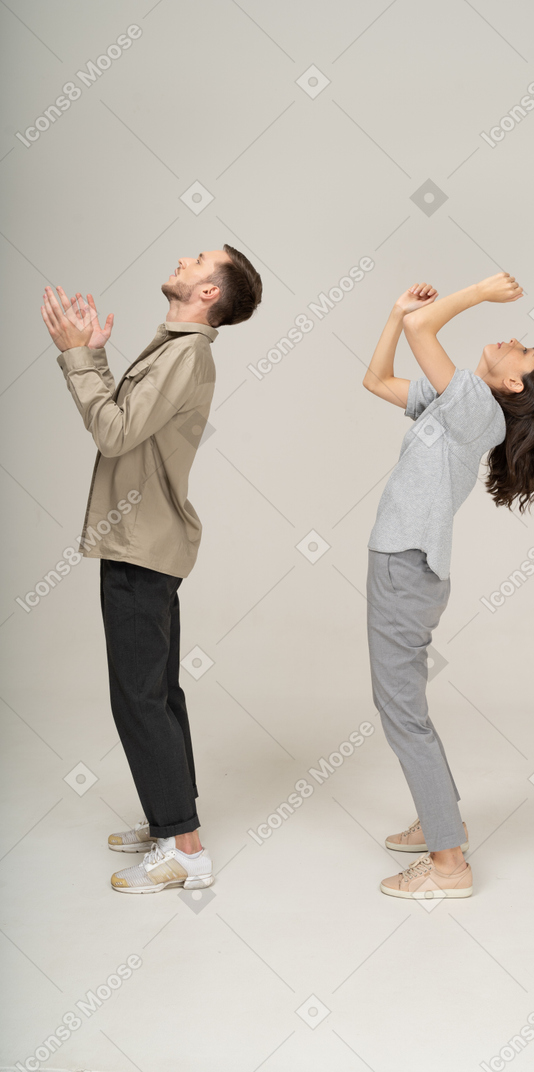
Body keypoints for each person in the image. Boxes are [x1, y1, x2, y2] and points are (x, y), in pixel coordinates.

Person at [41, 246, 262, 893]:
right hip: (145, 541)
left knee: (138, 699)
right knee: (157, 694)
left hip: (140, 544)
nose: (183, 258)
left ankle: (183, 850)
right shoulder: (175, 347)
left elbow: (111, 433)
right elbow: (128, 427)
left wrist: (76, 357)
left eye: (199, 260)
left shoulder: (186, 353)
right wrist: (98, 357)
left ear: (208, 294)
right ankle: (173, 823)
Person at [363, 273, 534, 899]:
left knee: (400, 713)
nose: (513, 339)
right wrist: (398, 314)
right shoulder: (460, 403)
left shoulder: (477, 408)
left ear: (514, 385)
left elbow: (430, 330)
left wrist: (478, 293)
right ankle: (439, 819)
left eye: (525, 349)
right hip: (407, 565)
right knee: (406, 709)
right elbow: (375, 380)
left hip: (405, 566)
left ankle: (448, 865)